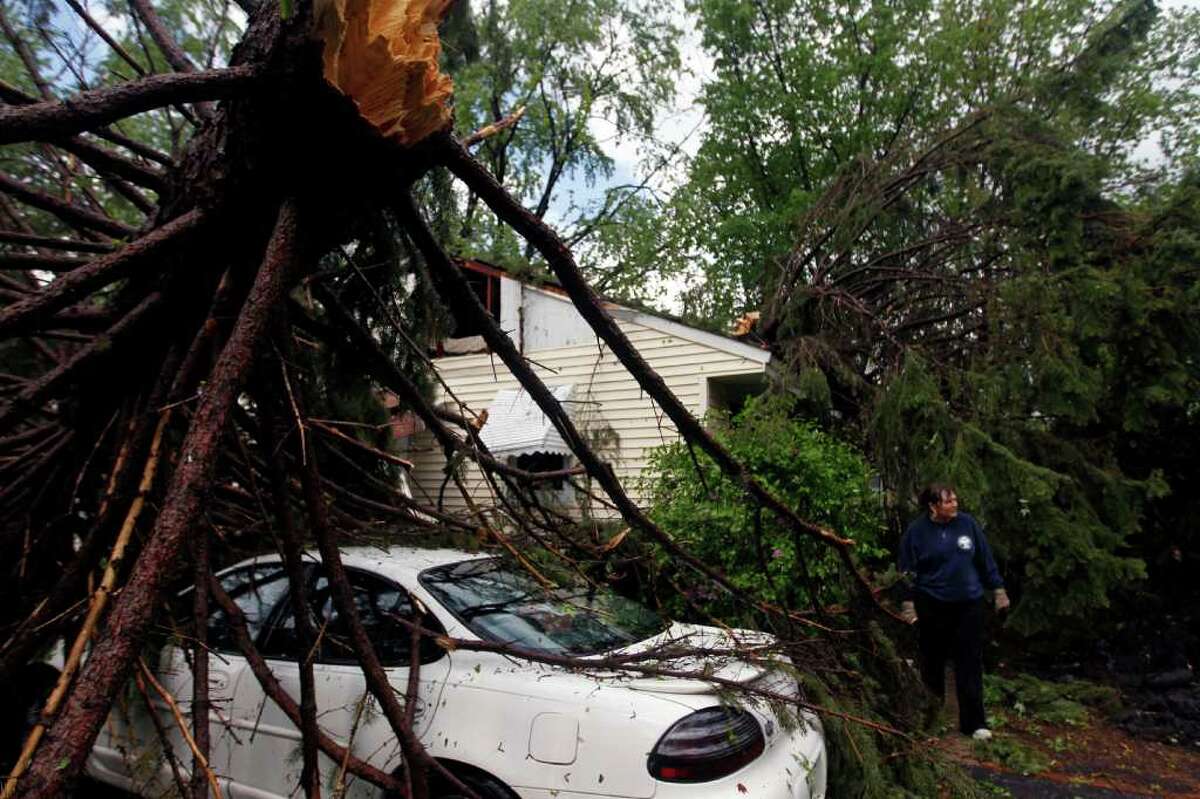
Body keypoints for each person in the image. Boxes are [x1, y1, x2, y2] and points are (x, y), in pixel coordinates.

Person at [898, 483, 1009, 740]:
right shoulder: (917, 532)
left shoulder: (967, 525)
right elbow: (905, 571)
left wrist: (998, 590)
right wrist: (908, 604)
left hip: (968, 604)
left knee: (969, 662)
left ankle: (974, 724)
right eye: (949, 502)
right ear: (933, 506)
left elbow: (985, 559)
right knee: (932, 665)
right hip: (932, 605)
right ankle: (931, 723)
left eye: (955, 500)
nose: (955, 505)